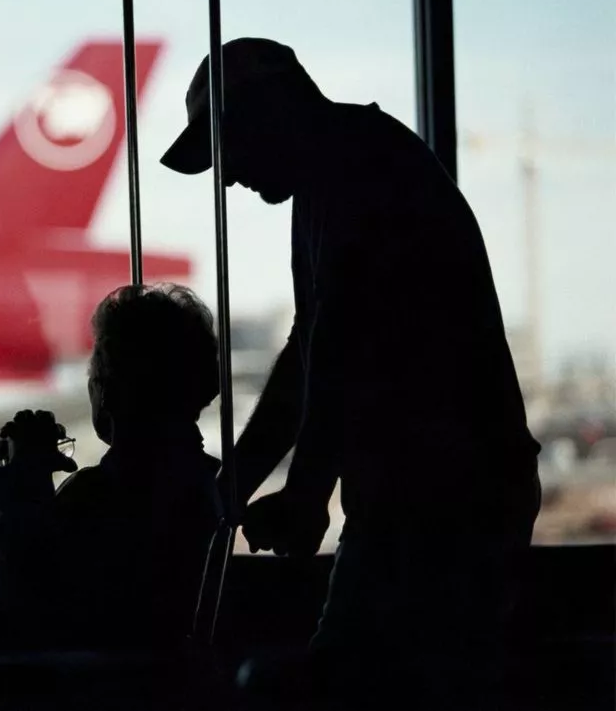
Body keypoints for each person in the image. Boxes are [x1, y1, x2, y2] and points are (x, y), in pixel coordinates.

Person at [161, 38, 542, 705]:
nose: (225, 175)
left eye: (225, 147)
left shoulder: (356, 174)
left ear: (265, 113)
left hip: (442, 500)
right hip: (442, 492)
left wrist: (302, 492)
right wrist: (240, 480)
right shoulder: (340, 172)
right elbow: (313, 349)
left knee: (353, 678)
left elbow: (338, 354)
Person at [0, 283, 223, 648]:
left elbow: (19, 603)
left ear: (107, 393)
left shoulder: (96, 498)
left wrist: (23, 480)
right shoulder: (210, 486)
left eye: (94, 376)